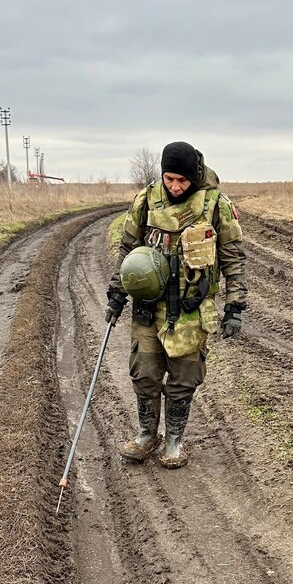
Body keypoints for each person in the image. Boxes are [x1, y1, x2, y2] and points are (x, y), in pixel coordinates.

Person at [105, 141, 247, 469]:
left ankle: (174, 441)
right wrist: (117, 294)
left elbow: (234, 259)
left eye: (182, 180)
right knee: (144, 373)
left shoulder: (216, 205)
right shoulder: (146, 200)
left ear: (194, 176)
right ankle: (146, 435)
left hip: (191, 307)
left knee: (184, 377)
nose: (175, 186)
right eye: (169, 179)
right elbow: (127, 251)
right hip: (148, 305)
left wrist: (235, 306)